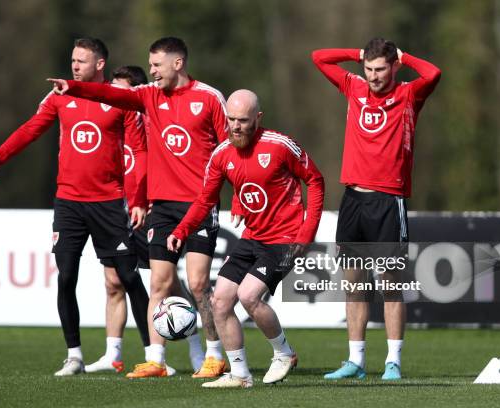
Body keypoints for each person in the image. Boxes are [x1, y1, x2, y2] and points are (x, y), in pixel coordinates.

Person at [48, 37, 231, 378]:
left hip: (200, 204)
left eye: (157, 65)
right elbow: (111, 95)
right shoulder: (147, 95)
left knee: (198, 283)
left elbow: (228, 152)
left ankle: (214, 354)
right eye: (150, 66)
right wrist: (73, 87)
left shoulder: (208, 98)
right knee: (159, 283)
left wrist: (237, 195)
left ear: (177, 63)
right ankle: (157, 359)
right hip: (162, 205)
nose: (152, 71)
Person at [0, 38, 147, 377]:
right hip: (69, 203)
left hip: (108, 202)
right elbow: (32, 128)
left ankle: (153, 355)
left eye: (81, 61)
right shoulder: (60, 96)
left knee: (129, 277)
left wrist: (138, 199)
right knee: (66, 277)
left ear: (99, 64)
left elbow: (139, 153)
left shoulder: (119, 100)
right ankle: (74, 355)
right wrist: (1, 154)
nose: (74, 66)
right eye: (72, 60)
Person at [167, 89, 325, 388]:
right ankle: (240, 375)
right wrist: (180, 231)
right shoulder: (221, 153)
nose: (236, 126)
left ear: (258, 118)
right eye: (231, 120)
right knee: (220, 301)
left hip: (286, 238)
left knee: (248, 295)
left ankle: (284, 352)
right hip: (253, 236)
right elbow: (204, 200)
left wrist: (307, 233)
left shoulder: (279, 146)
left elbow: (315, 180)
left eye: (243, 120)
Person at [311, 37, 441, 380]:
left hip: (388, 201)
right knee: (353, 283)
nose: (373, 76)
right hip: (353, 199)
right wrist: (356, 54)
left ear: (393, 67)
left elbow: (434, 73)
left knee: (390, 284)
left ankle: (393, 361)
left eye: (380, 69)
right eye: (368, 69)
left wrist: (406, 55)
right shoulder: (354, 88)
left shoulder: (409, 95)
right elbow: (319, 57)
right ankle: (356, 360)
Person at [86, 65, 195, 376]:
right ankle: (114, 354)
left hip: (149, 210)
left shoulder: (149, 121)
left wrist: (143, 201)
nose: (114, 99)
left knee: (166, 281)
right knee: (114, 282)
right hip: (113, 211)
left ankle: (193, 346)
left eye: (122, 93)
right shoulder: (108, 126)